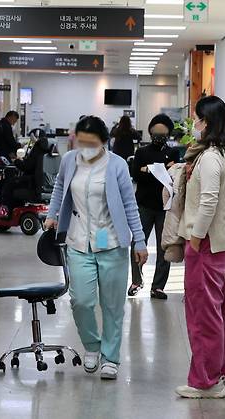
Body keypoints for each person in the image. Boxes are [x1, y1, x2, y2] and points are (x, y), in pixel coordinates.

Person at [44, 115, 148, 380]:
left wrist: (139, 240)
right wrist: (52, 213)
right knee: (81, 300)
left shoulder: (117, 165)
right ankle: (92, 346)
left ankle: (110, 357)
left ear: (104, 141)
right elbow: (59, 187)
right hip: (79, 239)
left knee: (112, 304)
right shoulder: (70, 161)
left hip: (109, 239)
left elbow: (129, 205)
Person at [175, 96, 225, 399]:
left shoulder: (211, 158)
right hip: (224, 246)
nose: (194, 124)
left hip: (207, 245)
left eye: (198, 119)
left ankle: (206, 380)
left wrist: (197, 237)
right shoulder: (223, 154)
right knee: (221, 314)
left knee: (203, 316)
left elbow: (209, 200)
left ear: (208, 123)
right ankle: (221, 373)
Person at [128, 114, 180, 299]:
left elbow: (173, 175)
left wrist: (148, 169)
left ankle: (158, 286)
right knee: (137, 242)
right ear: (150, 132)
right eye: (156, 132)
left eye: (163, 133)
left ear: (168, 134)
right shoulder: (142, 152)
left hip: (165, 207)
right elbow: (136, 174)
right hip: (143, 205)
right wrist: (159, 170)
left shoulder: (174, 152)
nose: (159, 135)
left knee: (163, 247)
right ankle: (136, 280)